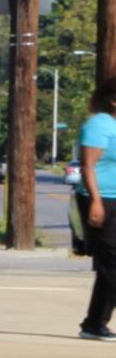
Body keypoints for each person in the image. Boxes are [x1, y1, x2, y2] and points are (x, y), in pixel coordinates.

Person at [76, 77, 116, 341]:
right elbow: (88, 166)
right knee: (112, 263)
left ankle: (94, 323)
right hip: (99, 200)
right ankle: (94, 323)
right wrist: (97, 202)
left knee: (109, 266)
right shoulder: (98, 124)